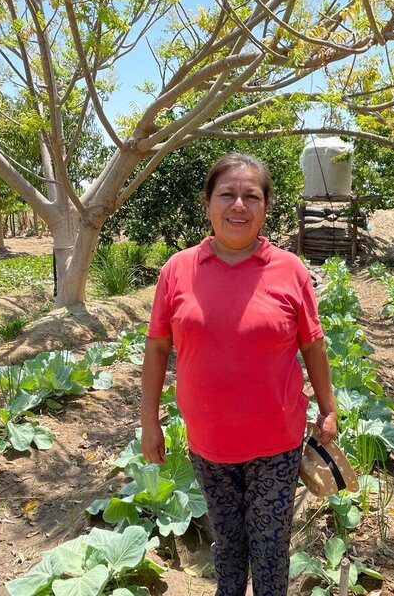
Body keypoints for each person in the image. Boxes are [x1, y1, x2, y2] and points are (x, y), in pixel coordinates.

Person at [141, 152, 337, 596]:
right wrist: (149, 421)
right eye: (227, 194)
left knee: (269, 551)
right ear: (208, 202)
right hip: (208, 443)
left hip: (276, 441)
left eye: (251, 196)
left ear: (266, 207)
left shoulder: (290, 269)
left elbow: (313, 344)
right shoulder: (178, 270)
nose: (238, 206)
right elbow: (157, 347)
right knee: (228, 548)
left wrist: (329, 408)